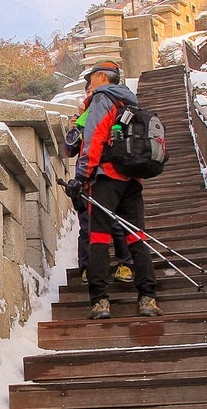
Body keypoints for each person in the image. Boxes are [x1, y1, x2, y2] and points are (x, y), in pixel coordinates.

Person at [69, 61, 162, 320]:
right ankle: (147, 297)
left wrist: (81, 176)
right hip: (132, 179)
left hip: (105, 178)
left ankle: (100, 301)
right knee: (136, 237)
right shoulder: (130, 102)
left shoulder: (101, 100)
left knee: (98, 238)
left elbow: (95, 137)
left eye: (91, 78)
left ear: (101, 77)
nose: (89, 84)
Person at [65, 81, 133, 285]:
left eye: (94, 89)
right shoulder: (85, 117)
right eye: (88, 91)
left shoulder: (117, 109)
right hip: (89, 179)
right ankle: (88, 269)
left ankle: (124, 265)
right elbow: (69, 150)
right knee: (87, 225)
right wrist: (74, 127)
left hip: (108, 176)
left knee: (116, 222)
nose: (91, 93)